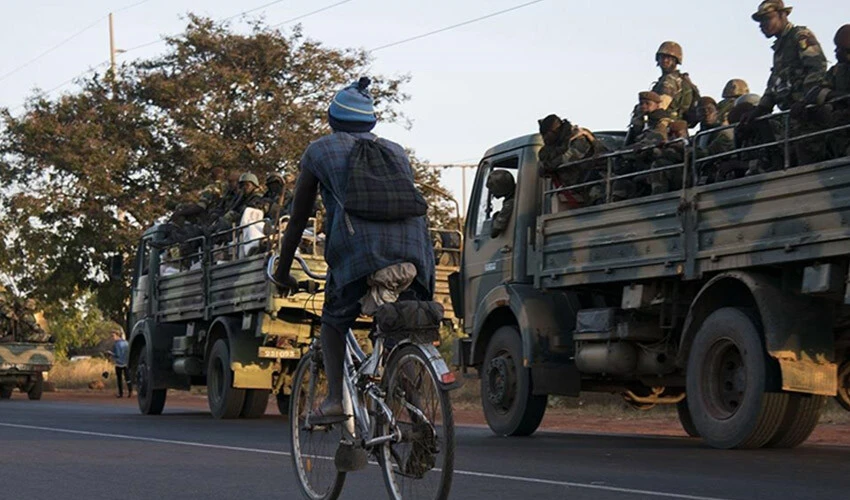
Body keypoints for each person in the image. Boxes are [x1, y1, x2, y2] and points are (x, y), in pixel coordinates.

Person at [271, 77, 435, 425]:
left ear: (332, 119)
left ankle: (333, 400)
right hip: (415, 258)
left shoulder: (319, 151)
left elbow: (298, 217)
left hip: (360, 258)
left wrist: (283, 271)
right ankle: (419, 413)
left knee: (334, 322)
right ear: (372, 122)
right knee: (397, 333)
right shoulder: (396, 151)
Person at [537, 114, 607, 208]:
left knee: (597, 195)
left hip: (592, 179)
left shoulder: (578, 136)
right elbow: (541, 168)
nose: (544, 138)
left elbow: (569, 158)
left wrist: (551, 164)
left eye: (546, 134)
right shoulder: (550, 147)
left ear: (554, 131)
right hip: (575, 185)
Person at [651, 41, 700, 126]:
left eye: (669, 58)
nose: (665, 60)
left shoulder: (670, 80)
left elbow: (660, 107)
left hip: (664, 125)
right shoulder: (680, 79)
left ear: (676, 61)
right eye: (662, 57)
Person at [486, 170, 515, 237]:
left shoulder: (509, 204)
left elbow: (494, 232)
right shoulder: (517, 196)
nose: (491, 192)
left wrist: (496, 216)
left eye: (492, 188)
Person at [108, 329, 131, 398]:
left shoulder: (117, 344)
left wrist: (110, 353)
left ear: (117, 335)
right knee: (128, 378)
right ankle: (130, 390)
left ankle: (121, 393)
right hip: (126, 362)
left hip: (119, 363)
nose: (112, 338)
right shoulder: (126, 343)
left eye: (113, 336)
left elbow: (117, 354)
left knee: (119, 378)